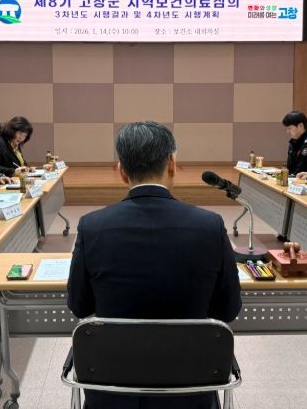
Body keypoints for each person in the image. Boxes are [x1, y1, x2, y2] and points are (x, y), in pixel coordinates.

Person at [67, 121, 242, 409]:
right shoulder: (209, 225)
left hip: (111, 389)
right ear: (172, 164)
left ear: (122, 170)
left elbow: (80, 306)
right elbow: (228, 309)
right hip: (192, 387)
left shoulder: (91, 226)